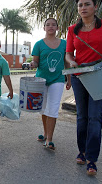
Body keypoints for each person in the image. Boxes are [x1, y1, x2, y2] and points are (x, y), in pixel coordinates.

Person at [65, 0, 102, 176]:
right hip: (80, 76)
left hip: (99, 74)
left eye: (87, 4)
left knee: (95, 117)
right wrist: (71, 62)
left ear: (95, 7)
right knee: (82, 117)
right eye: (80, 5)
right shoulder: (73, 29)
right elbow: (68, 53)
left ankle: (92, 160)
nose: (83, 8)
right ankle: (82, 151)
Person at [30, 18, 71, 150]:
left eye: (53, 25)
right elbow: (36, 62)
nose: (51, 26)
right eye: (48, 25)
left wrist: (69, 79)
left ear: (57, 28)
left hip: (58, 79)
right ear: (44, 28)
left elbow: (67, 63)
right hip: (41, 80)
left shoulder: (64, 44)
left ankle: (49, 139)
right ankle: (45, 132)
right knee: (43, 108)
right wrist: (33, 64)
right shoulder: (38, 44)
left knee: (52, 108)